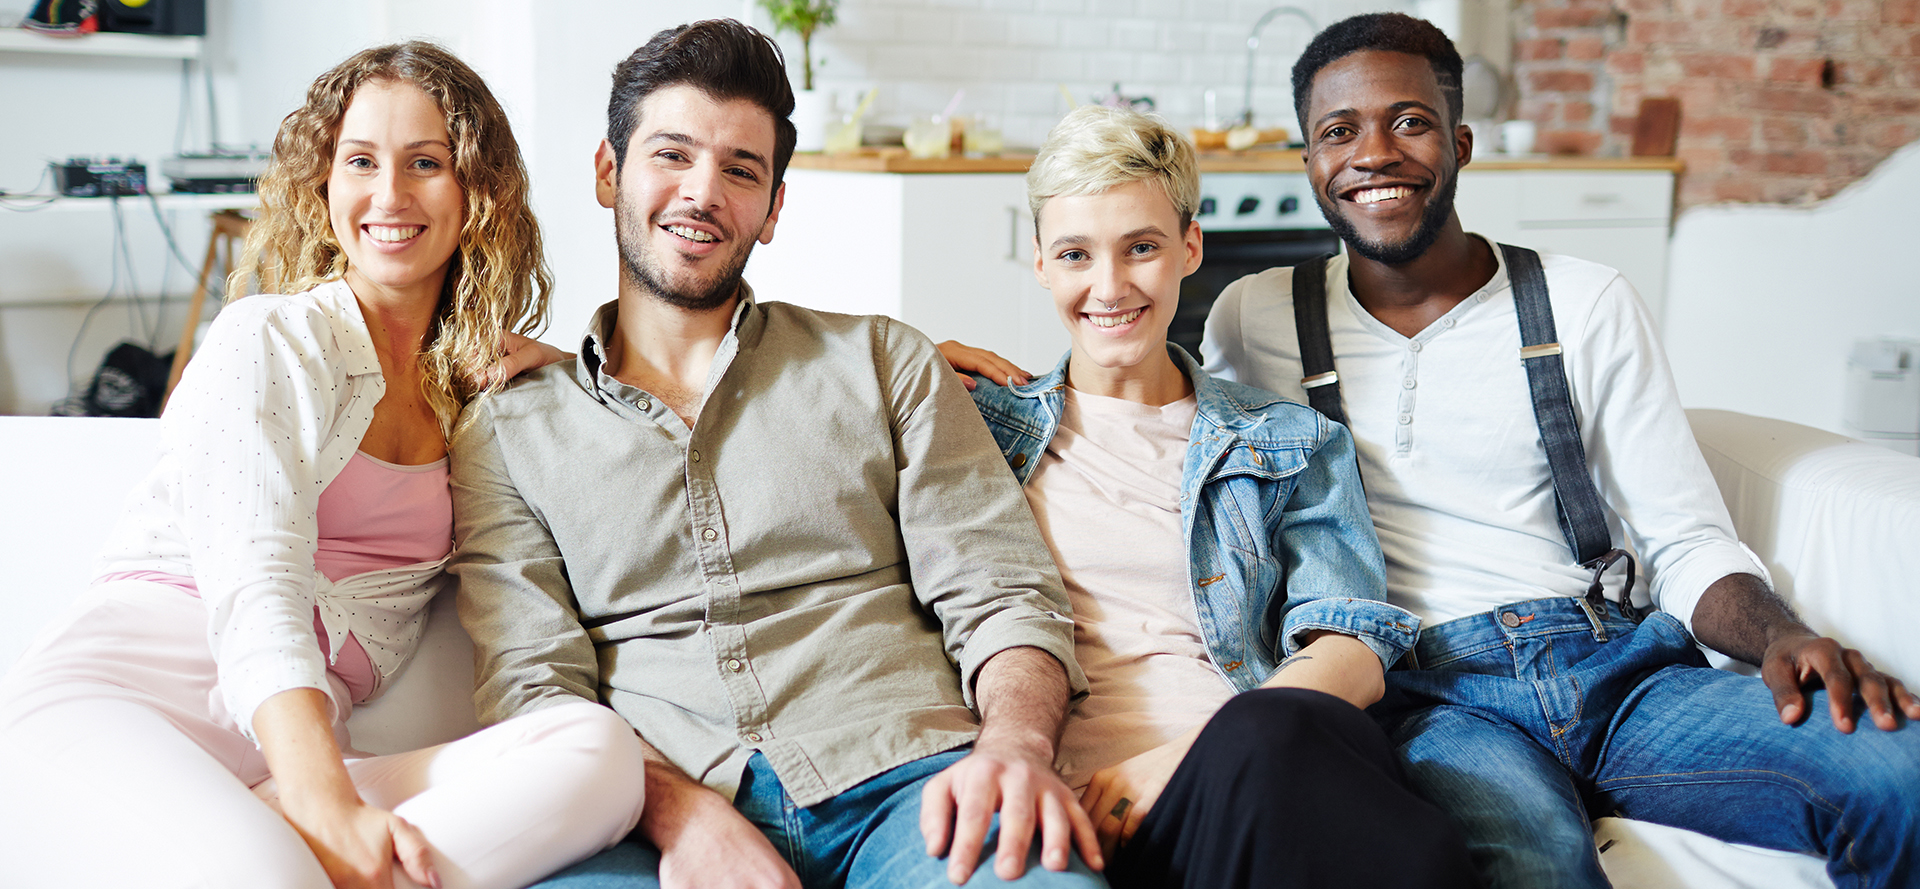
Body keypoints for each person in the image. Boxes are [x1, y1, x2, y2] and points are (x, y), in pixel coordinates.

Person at [1195, 13, 1920, 888]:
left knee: (1900, 773)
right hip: (1428, 699)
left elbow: (1682, 537)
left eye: (1410, 122)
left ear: (1460, 141)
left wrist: (1781, 632)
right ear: (1309, 161)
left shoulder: (1584, 302)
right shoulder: (1254, 314)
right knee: (1539, 868)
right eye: (1337, 131)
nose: (1373, 153)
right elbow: (1174, 444)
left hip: (1610, 667)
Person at [446, 20, 1104, 889]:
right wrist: (683, 815)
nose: (702, 192)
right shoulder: (509, 430)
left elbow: (1005, 595)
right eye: (671, 155)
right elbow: (536, 688)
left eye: (741, 170)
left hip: (912, 784)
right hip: (648, 813)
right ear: (610, 174)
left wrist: (1016, 747)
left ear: (774, 207)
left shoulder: (883, 362)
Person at [0, 42, 646, 889]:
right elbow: (256, 584)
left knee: (599, 755)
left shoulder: (474, 400)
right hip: (119, 713)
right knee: (278, 876)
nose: (390, 195)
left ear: (476, 192)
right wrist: (324, 802)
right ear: (324, 185)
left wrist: (563, 370)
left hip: (281, 775)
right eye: (361, 162)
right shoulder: (270, 338)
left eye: (426, 163)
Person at [964, 104, 1481, 889]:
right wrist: (901, 361)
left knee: (1280, 745)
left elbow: (1351, 648)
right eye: (1076, 254)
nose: (1109, 287)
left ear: (1189, 247)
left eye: (1141, 247)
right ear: (1039, 262)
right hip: (1087, 808)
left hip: (1257, 766)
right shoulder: (980, 432)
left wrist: (1188, 754)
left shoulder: (1286, 439)